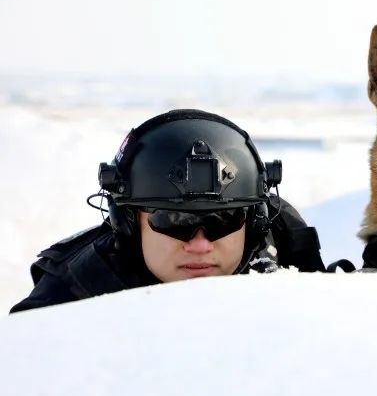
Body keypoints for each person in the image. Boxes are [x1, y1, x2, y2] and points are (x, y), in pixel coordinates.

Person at [10, 109, 325, 313]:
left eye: (223, 221)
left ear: (253, 222)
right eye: (174, 221)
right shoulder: (71, 296)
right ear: (130, 224)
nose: (200, 245)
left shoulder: (283, 239)